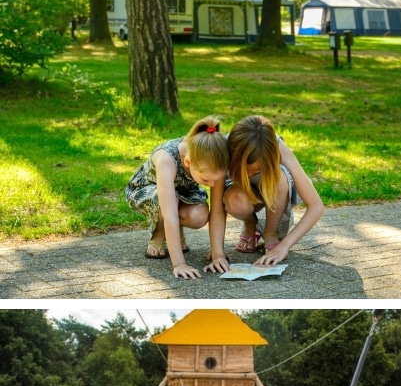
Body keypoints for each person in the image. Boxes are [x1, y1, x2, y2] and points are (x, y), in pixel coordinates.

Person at [205, 115, 325, 273]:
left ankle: (270, 234)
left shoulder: (276, 146)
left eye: (257, 170)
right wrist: (218, 254)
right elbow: (217, 210)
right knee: (236, 199)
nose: (249, 175)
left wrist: (284, 247)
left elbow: (316, 206)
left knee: (279, 179)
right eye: (245, 170)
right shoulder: (224, 151)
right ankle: (250, 225)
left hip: (273, 200)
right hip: (241, 195)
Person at [125, 115, 229, 279]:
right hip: (148, 191)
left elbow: (217, 210)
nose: (213, 185)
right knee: (171, 200)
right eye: (206, 180)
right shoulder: (167, 158)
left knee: (200, 215)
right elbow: (170, 214)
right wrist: (179, 264)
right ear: (188, 163)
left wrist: (218, 255)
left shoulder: (216, 160)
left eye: (216, 179)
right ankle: (158, 235)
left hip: (182, 192)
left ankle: (175, 233)